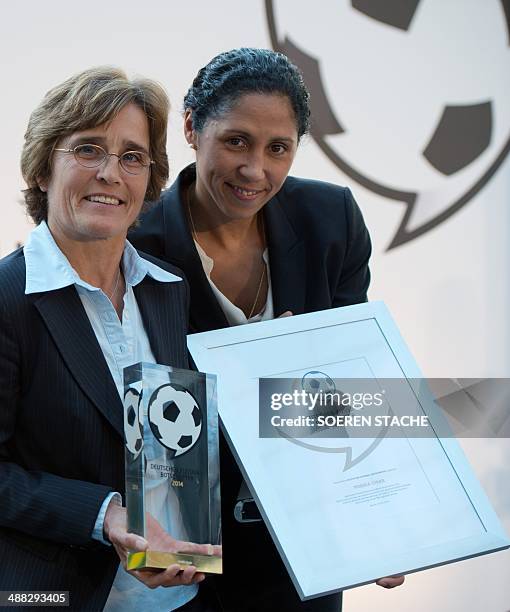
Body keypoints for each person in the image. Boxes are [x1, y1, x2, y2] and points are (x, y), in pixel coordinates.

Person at [130, 48, 404, 611]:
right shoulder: (133, 240)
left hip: (308, 539)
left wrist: (380, 521)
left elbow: (349, 383)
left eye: (278, 148)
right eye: (236, 141)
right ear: (190, 127)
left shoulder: (332, 219)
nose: (256, 170)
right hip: (182, 547)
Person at [0, 67, 220, 611]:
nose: (110, 173)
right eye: (88, 149)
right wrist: (104, 515)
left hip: (178, 596)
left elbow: (186, 444)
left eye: (131, 156)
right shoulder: (7, 299)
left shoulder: (171, 289)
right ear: (43, 169)